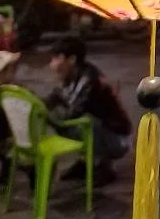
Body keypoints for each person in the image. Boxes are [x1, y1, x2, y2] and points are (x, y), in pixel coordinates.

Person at [46, 34, 133, 184]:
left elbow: (73, 113)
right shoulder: (70, 76)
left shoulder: (89, 80)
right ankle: (86, 160)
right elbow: (52, 99)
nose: (52, 64)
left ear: (71, 60)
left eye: (56, 58)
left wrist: (50, 116)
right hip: (101, 131)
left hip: (115, 139)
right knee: (68, 125)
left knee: (84, 122)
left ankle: (101, 164)